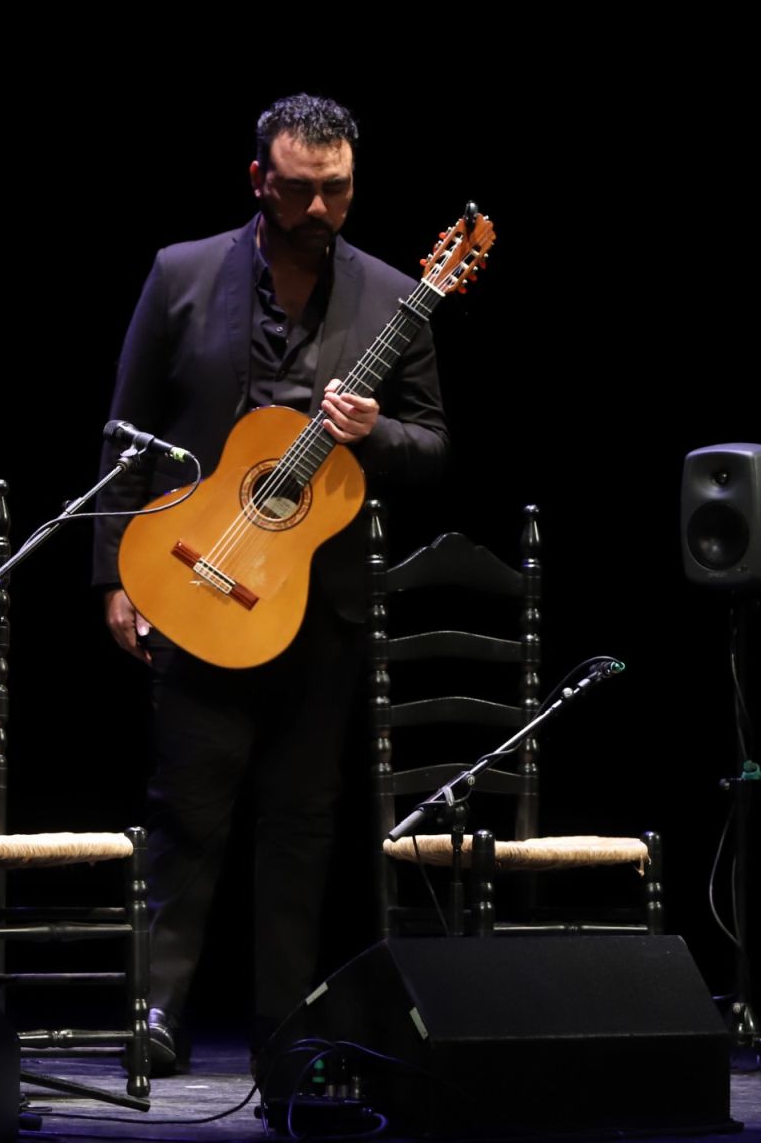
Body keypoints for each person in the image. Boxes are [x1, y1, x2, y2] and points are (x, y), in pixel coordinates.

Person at [93, 93, 449, 1073]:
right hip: (196, 582)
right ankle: (157, 1010)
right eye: (301, 189)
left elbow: (435, 442)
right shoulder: (182, 274)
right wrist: (114, 576)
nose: (322, 209)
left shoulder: (390, 298)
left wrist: (375, 430)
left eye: (337, 189)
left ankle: (282, 1022)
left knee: (301, 820)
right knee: (186, 810)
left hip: (319, 604)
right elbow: (125, 436)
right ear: (260, 180)